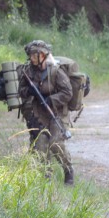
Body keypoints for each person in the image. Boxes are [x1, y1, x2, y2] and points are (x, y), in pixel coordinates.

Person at [17, 40, 74, 185]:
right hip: (38, 113)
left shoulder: (55, 70)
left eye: (34, 55)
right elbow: (20, 91)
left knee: (55, 143)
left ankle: (68, 171)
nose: (31, 58)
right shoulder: (28, 71)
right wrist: (28, 91)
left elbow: (67, 93)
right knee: (40, 144)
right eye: (30, 56)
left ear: (42, 55)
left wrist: (51, 99)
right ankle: (45, 177)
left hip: (57, 113)